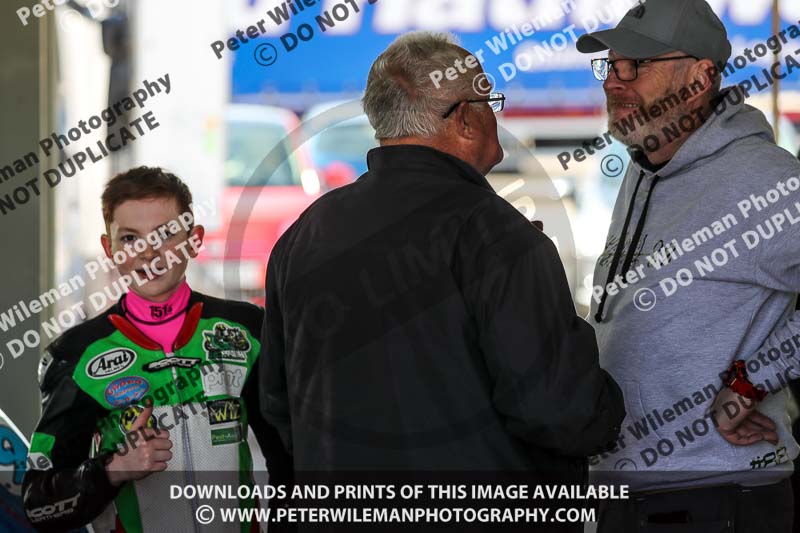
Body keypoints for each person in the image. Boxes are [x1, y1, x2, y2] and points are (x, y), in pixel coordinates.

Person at [259, 31, 624, 525]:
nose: (496, 113)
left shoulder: (303, 236)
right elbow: (559, 411)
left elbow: (279, 408)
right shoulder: (497, 236)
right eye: (490, 100)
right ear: (466, 119)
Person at [576, 0, 800, 530]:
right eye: (610, 65)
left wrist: (754, 382)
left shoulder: (764, 180)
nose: (615, 81)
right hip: (630, 494)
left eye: (638, 65)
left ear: (700, 78)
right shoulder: (643, 167)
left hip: (714, 497)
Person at [22, 167, 292, 532]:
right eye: (131, 238)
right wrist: (113, 470)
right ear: (110, 249)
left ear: (194, 240)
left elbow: (291, 466)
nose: (150, 253)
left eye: (166, 235)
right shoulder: (77, 354)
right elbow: (39, 505)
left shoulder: (246, 332)